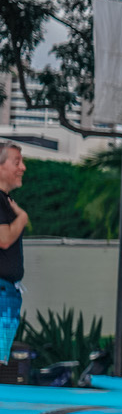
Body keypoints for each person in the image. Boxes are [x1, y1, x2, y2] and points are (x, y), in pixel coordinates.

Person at [0, 141, 28, 370]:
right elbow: (4, 238)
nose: (23, 167)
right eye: (16, 162)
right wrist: (22, 218)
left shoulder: (5, 202)